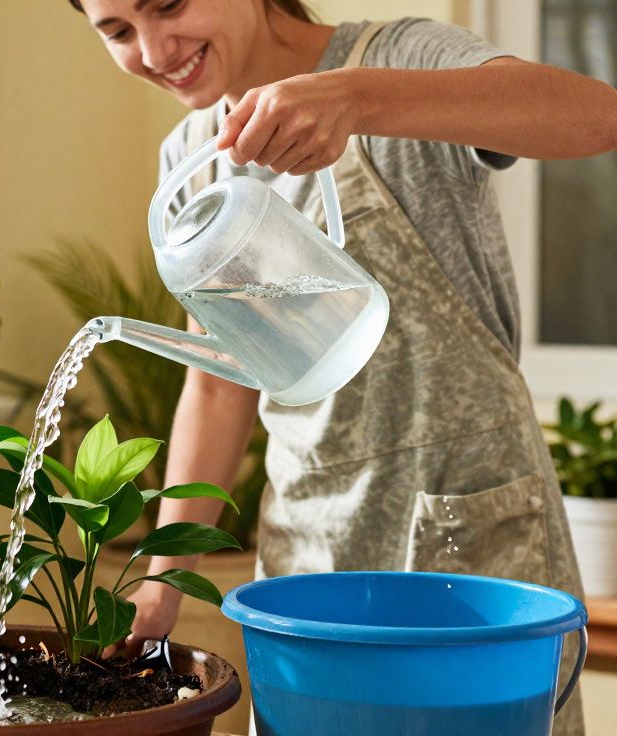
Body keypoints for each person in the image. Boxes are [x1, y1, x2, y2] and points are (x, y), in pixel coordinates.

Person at [70, 1, 617, 734]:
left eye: (168, 4)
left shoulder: (401, 55)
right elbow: (218, 378)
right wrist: (164, 580)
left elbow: (594, 116)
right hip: (308, 552)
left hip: (472, 539)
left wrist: (353, 97)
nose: (154, 48)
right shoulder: (188, 158)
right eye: (116, 31)